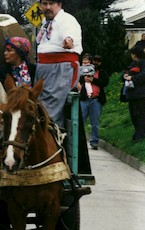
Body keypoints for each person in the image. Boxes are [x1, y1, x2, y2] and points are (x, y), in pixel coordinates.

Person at [35, 0, 83, 128]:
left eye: (52, 3)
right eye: (44, 4)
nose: (48, 7)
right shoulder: (45, 22)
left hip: (60, 68)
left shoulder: (67, 19)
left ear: (59, 5)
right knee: (38, 107)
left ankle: (52, 143)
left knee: (50, 113)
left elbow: (70, 34)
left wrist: (69, 40)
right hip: (44, 68)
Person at [121, 45, 145, 143]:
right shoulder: (133, 64)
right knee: (134, 114)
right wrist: (125, 76)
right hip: (132, 93)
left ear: (135, 54)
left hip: (142, 93)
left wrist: (133, 78)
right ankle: (137, 133)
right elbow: (125, 73)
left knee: (140, 114)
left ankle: (142, 135)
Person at [79, 55, 109, 150]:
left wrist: (93, 80)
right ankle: (79, 140)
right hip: (84, 99)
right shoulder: (82, 71)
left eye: (98, 61)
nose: (96, 63)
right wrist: (84, 79)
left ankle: (94, 141)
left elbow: (104, 82)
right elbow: (77, 80)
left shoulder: (101, 72)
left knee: (95, 122)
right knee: (80, 121)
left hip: (96, 99)